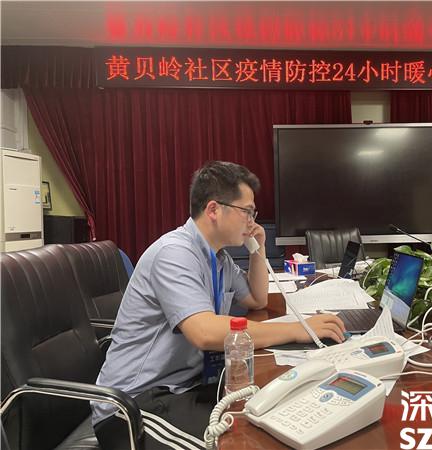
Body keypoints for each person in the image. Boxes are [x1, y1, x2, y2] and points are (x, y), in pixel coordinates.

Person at [92, 161, 346, 450]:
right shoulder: (174, 253)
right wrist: (298, 330)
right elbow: (205, 332)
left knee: (271, 417)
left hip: (186, 386)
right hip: (133, 405)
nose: (252, 221)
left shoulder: (220, 259)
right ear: (213, 209)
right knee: (244, 443)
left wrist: (258, 248)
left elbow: (257, 299)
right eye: (247, 211)